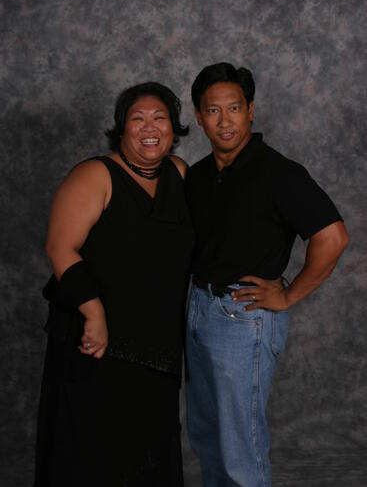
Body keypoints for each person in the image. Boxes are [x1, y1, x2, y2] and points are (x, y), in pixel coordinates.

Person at [185, 62, 349, 487]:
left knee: (241, 448)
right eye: (214, 110)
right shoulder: (200, 176)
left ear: (251, 111)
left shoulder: (278, 173)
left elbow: (332, 237)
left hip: (244, 317)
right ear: (200, 116)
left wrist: (289, 294)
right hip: (198, 310)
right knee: (206, 437)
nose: (225, 120)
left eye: (235, 108)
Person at [34, 82, 195, 487]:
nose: (149, 127)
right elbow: (59, 248)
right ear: (121, 129)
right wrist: (94, 313)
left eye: (159, 118)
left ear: (173, 129)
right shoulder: (95, 175)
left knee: (149, 448)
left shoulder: (179, 174)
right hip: (98, 338)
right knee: (95, 449)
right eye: (137, 119)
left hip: (157, 344)